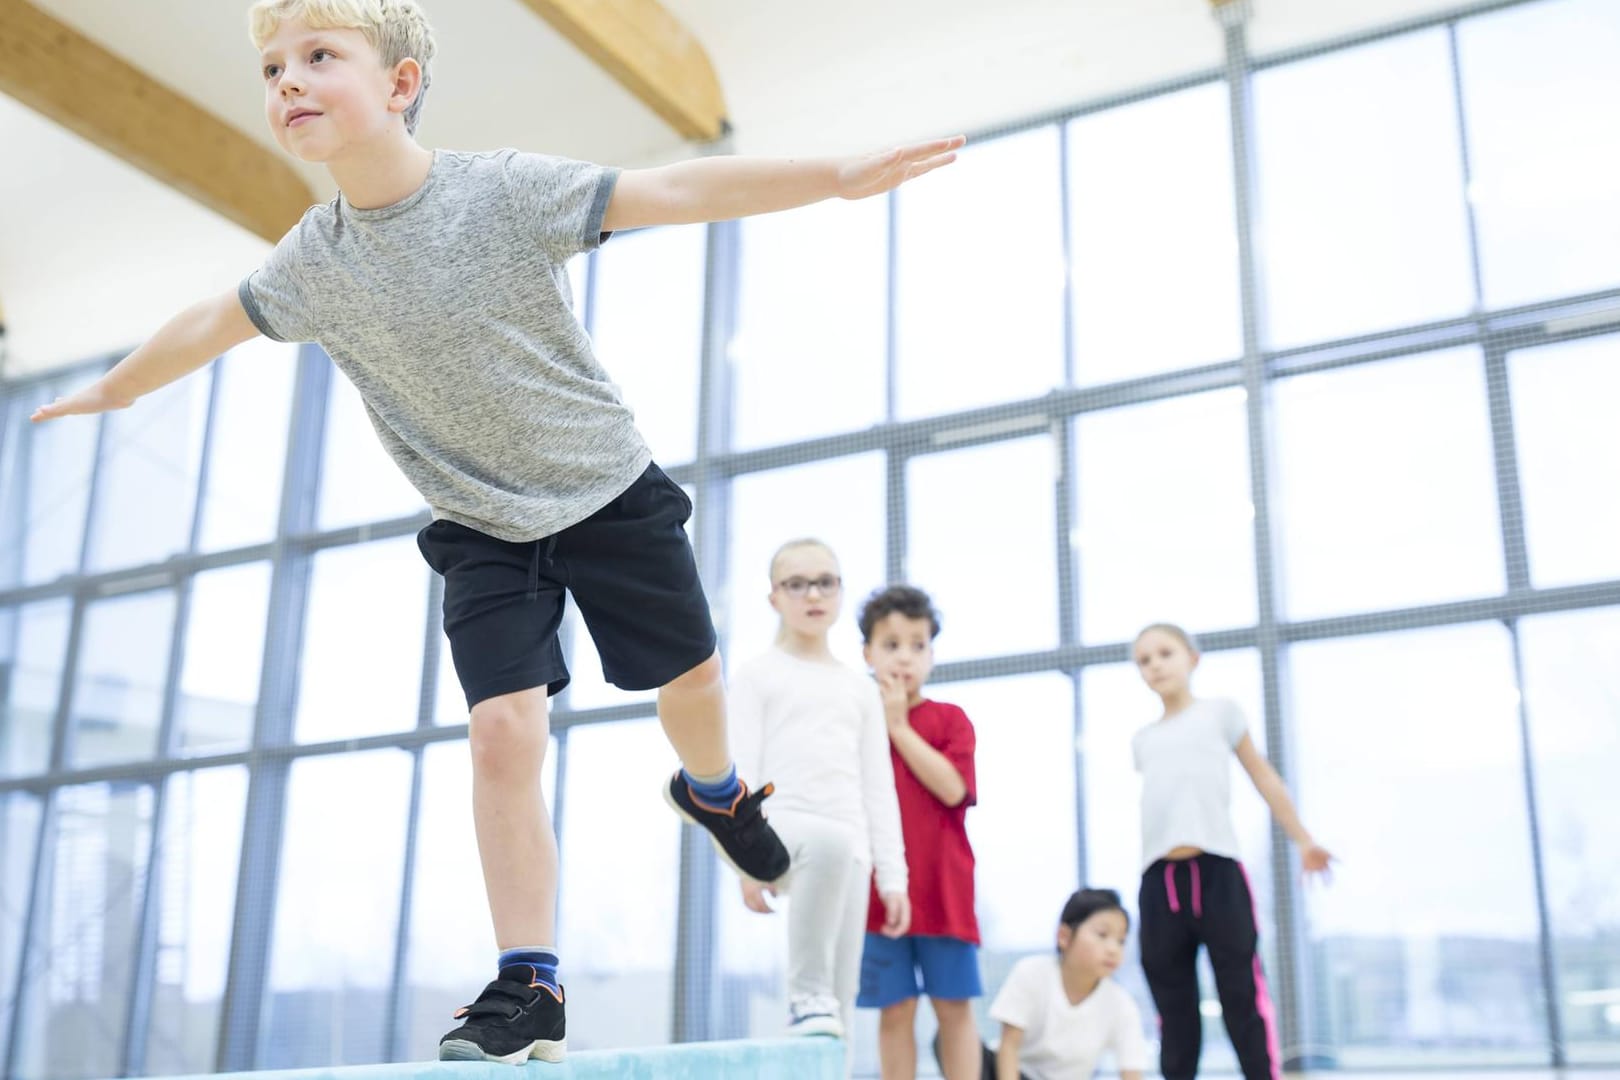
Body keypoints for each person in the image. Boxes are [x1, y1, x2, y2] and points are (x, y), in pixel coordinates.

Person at [29, 0, 962, 1063]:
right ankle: (531, 982)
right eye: (274, 67)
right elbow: (210, 320)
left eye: (318, 56)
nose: (287, 79)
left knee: (691, 691)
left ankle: (716, 795)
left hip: (605, 489)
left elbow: (678, 188)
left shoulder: (500, 190)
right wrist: (113, 388)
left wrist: (834, 178)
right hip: (479, 525)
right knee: (502, 732)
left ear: (399, 85)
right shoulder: (312, 259)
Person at [729, 539, 911, 1064]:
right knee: (815, 998)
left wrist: (893, 878)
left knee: (840, 1003)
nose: (813, 594)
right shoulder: (757, 674)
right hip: (779, 832)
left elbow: (878, 788)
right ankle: (804, 996)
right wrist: (746, 862)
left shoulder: (859, 689)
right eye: (797, 583)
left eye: (825, 582)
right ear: (773, 598)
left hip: (851, 849)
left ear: (839, 591)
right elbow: (741, 772)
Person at [1131, 623, 1333, 1080]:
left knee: (1241, 996)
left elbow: (1262, 776)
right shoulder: (1142, 740)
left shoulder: (1221, 713)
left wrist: (1303, 838)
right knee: (1174, 1009)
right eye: (1144, 660)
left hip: (1219, 874)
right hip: (1158, 883)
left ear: (1192, 658)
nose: (1155, 665)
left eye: (1165, 653)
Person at [853, 585, 982, 1080]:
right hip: (876, 892)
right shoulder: (856, 722)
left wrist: (899, 727)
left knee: (954, 1007)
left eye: (917, 644)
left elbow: (952, 789)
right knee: (896, 1010)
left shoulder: (951, 720)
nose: (904, 657)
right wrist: (881, 721)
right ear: (867, 653)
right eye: (891, 645)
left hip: (945, 888)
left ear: (931, 653)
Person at [986, 888, 1147, 1080]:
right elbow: (1009, 1046)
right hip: (1008, 1074)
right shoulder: (1031, 972)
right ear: (1064, 936)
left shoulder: (1121, 1004)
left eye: (1121, 941)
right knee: (955, 1044)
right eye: (1102, 935)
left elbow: (1132, 1073)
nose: (1113, 949)